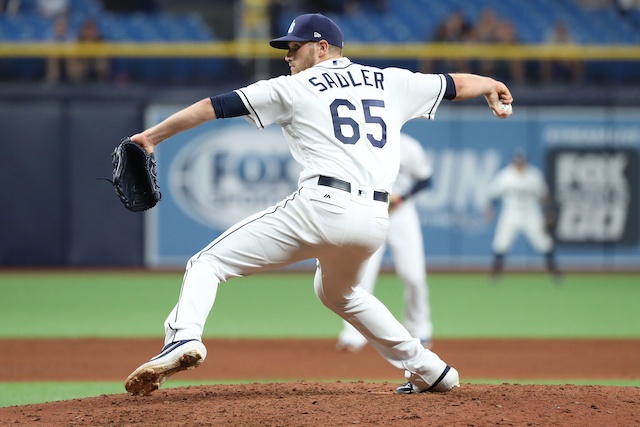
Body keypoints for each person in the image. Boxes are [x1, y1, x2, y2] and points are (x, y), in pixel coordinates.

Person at [123, 12, 513, 397]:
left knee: (207, 263)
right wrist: (491, 85)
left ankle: (183, 338)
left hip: (322, 207)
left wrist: (151, 137)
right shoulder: (391, 80)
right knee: (339, 293)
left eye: (295, 47)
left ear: (322, 48)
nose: (288, 56)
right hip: (375, 220)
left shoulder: (294, 87)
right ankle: (431, 369)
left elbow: (214, 106)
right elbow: (453, 84)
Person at [337, 133, 434, 352]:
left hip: (402, 215)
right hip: (370, 212)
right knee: (360, 277)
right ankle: (353, 334)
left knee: (414, 276)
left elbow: (426, 179)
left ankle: (420, 329)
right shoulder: (363, 144)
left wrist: (402, 197)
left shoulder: (409, 146)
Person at [484, 151, 562, 281]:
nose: (519, 165)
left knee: (544, 243)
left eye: (521, 162)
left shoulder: (534, 175)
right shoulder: (505, 175)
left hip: (531, 213)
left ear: (525, 162)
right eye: (517, 162)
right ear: (513, 162)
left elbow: (544, 195)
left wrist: (548, 211)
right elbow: (492, 194)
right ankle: (495, 274)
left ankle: (554, 273)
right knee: (501, 243)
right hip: (511, 213)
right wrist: (489, 209)